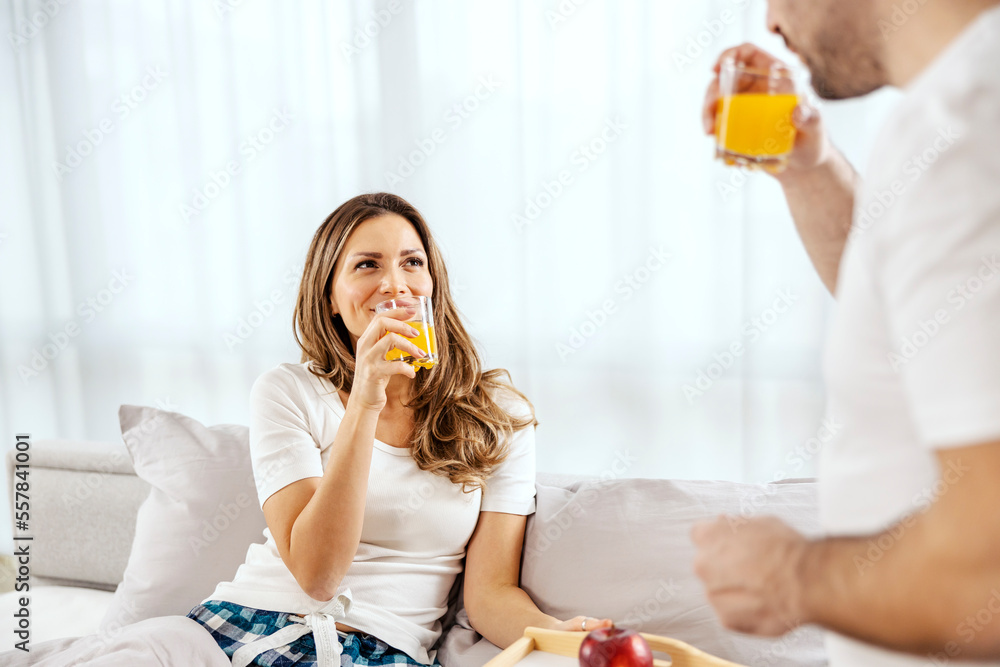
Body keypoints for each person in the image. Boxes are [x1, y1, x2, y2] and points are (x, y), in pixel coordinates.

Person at [690, 1, 1000, 665]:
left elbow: (991, 570)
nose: (771, 22)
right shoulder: (966, 108)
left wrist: (792, 576)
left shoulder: (963, 131)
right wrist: (808, 168)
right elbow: (917, 325)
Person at [185, 193, 612, 667]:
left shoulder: (496, 416)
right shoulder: (288, 391)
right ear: (330, 298)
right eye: (367, 265)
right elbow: (317, 578)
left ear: (433, 284)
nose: (395, 284)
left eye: (412, 262)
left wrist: (558, 636)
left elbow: (490, 593)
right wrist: (365, 400)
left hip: (383, 649)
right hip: (249, 623)